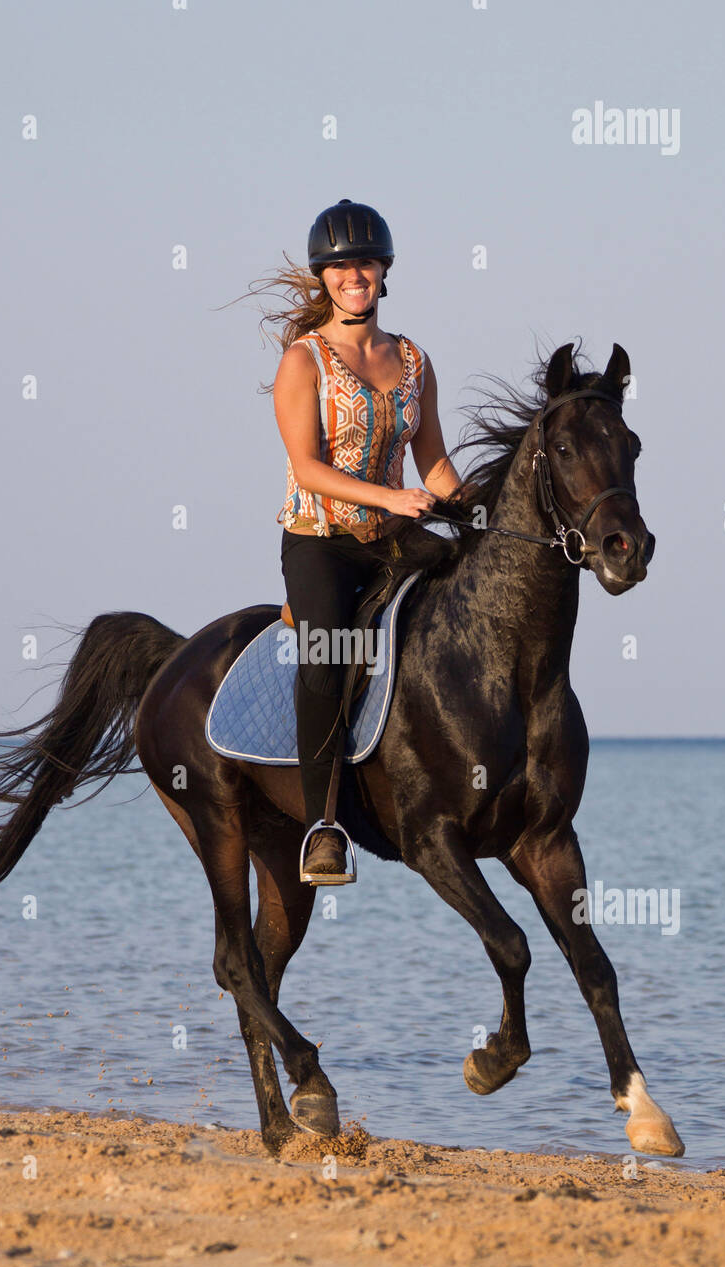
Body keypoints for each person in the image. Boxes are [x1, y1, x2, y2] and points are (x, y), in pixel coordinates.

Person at [272, 198, 462, 883]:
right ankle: (324, 828)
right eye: (342, 266)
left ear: (385, 271)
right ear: (325, 276)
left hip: (393, 537)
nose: (356, 276)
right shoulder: (304, 362)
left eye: (367, 264)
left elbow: (434, 461)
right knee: (327, 654)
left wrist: (476, 501)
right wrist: (393, 496)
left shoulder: (412, 359)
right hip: (320, 538)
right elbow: (308, 468)